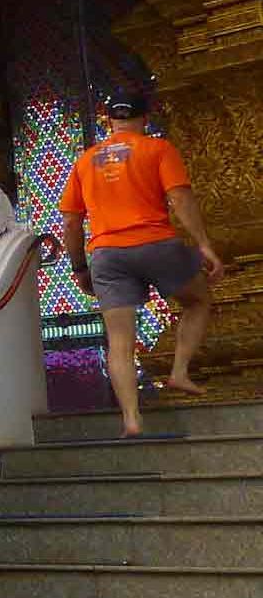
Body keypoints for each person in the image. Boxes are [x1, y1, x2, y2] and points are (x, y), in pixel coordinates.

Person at [60, 97, 223, 438]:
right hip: (156, 245)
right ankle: (179, 372)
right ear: (144, 119)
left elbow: (72, 223)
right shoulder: (157, 149)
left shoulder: (85, 161)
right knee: (197, 300)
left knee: (119, 342)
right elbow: (179, 199)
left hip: (107, 254)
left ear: (108, 121)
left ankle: (131, 419)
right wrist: (203, 243)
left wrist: (79, 269)